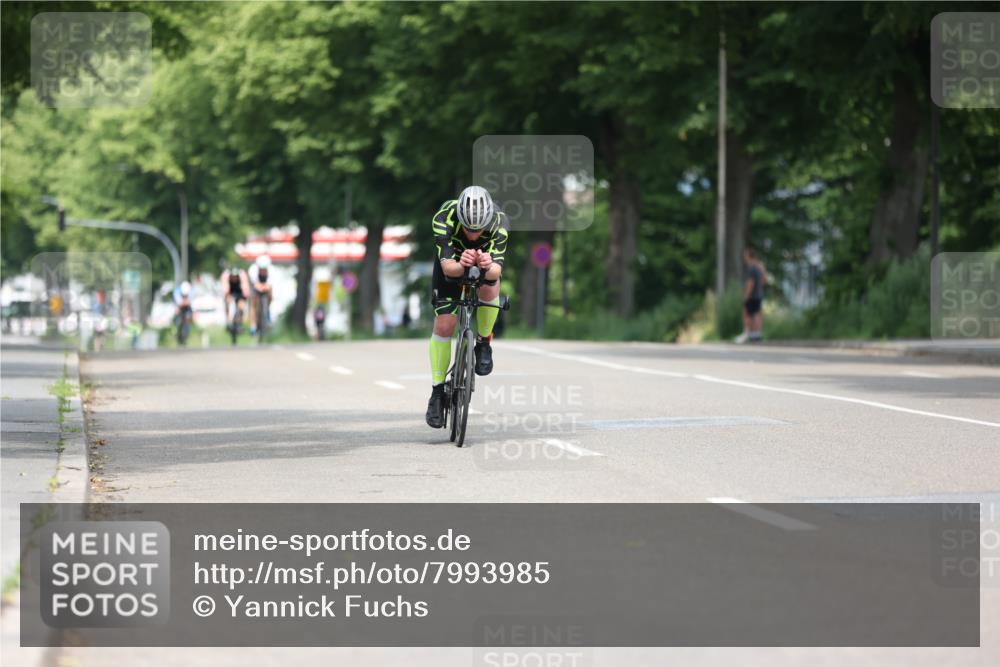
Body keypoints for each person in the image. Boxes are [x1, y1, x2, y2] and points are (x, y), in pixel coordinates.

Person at [425, 185, 509, 428]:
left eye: (478, 230)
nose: (473, 235)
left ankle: (483, 343)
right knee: (444, 324)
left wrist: (486, 265)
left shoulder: (499, 222)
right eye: (468, 229)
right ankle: (437, 392)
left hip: (483, 264)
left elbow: (495, 272)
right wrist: (462, 265)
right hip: (452, 264)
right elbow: (448, 268)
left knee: (490, 288)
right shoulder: (444, 217)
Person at [736, 246, 766, 344]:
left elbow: (750, 283)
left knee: (747, 314)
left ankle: (746, 334)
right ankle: (756, 334)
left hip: (752, 295)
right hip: (759, 294)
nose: (744, 257)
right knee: (756, 314)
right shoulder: (759, 267)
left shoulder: (752, 268)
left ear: (749, 256)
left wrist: (746, 295)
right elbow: (764, 280)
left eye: (745, 255)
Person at [247, 255, 273, 335]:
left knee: (270, 294)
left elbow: (269, 285)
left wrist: (266, 288)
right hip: (256, 285)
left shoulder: (272, 270)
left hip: (265, 286)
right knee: (253, 303)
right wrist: (261, 287)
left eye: (264, 269)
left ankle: (267, 310)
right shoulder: (252, 270)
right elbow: (255, 285)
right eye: (261, 269)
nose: (263, 271)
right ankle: (253, 326)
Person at [221, 264, 250, 331]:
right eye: (233, 276)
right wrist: (228, 296)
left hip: (239, 292)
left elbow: (245, 289)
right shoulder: (226, 275)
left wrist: (244, 297)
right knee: (227, 303)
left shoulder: (242, 276)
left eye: (236, 276)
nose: (234, 278)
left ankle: (240, 322)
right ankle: (228, 321)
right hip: (230, 291)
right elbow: (225, 289)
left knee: (241, 306)